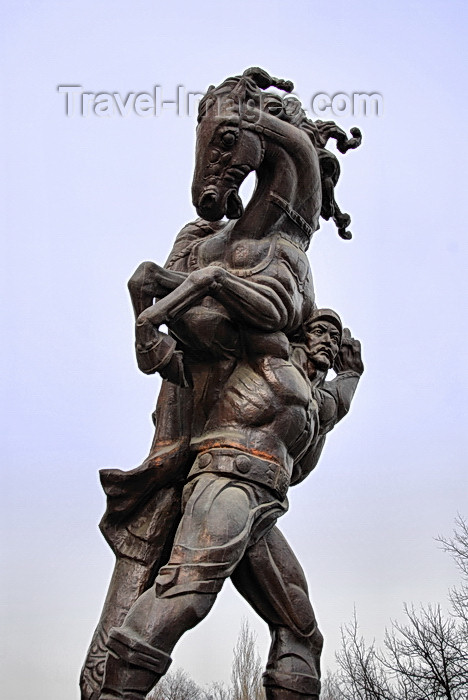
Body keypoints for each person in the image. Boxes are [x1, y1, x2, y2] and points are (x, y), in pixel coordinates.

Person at [99, 309, 364, 700]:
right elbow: (233, 317)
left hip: (263, 508)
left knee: (301, 631)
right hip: (225, 484)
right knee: (188, 593)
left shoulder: (314, 402)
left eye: (335, 336)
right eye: (321, 330)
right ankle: (116, 694)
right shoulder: (267, 352)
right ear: (300, 334)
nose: (329, 339)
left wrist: (351, 375)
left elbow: (335, 406)